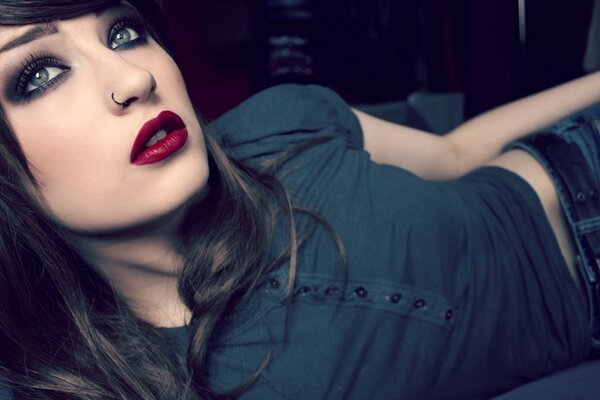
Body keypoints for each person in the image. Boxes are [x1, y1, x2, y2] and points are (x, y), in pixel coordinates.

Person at [0, 1, 598, 399]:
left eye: (123, 33)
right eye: (40, 75)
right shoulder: (107, 382)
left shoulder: (275, 125)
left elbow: (458, 154)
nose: (134, 77)